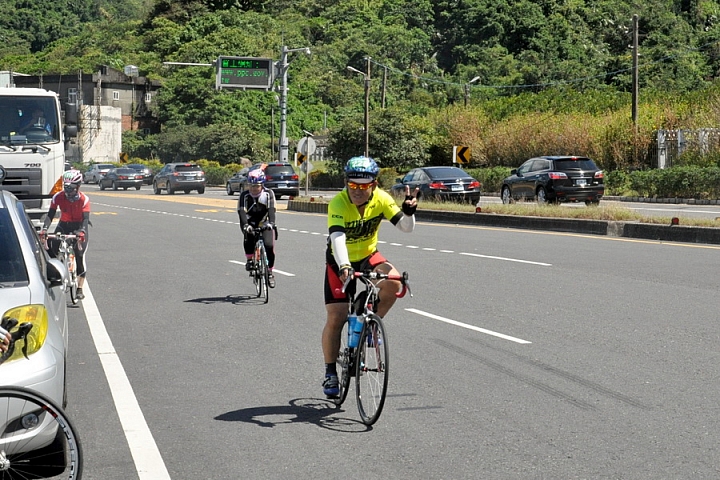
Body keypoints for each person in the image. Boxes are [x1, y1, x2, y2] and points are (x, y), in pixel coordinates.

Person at [321, 156, 418, 397]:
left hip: (368, 255)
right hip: (339, 260)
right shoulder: (338, 203)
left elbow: (406, 228)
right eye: (353, 185)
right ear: (346, 183)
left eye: (364, 187)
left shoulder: (382, 199)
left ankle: (371, 325)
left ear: (374, 185)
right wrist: (344, 265)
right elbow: (337, 238)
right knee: (337, 317)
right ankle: (330, 373)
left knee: (395, 282)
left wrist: (408, 214)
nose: (357, 191)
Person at [40, 169, 91, 300]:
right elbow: (50, 215)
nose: (68, 192)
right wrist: (44, 229)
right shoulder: (58, 197)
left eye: (71, 188)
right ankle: (58, 268)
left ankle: (79, 288)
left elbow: (85, 220)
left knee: (79, 255)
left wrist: (82, 232)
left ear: (78, 186)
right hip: (63, 225)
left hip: (78, 226)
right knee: (51, 244)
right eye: (66, 188)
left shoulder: (84, 199)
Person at [238, 168, 278, 288]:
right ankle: (250, 259)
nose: (253, 188)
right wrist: (246, 225)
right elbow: (241, 212)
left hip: (264, 222)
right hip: (250, 222)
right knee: (248, 237)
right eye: (251, 185)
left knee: (269, 246)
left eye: (256, 186)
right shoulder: (244, 196)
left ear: (262, 185)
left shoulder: (268, 194)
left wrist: (271, 223)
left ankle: (270, 272)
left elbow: (272, 210)